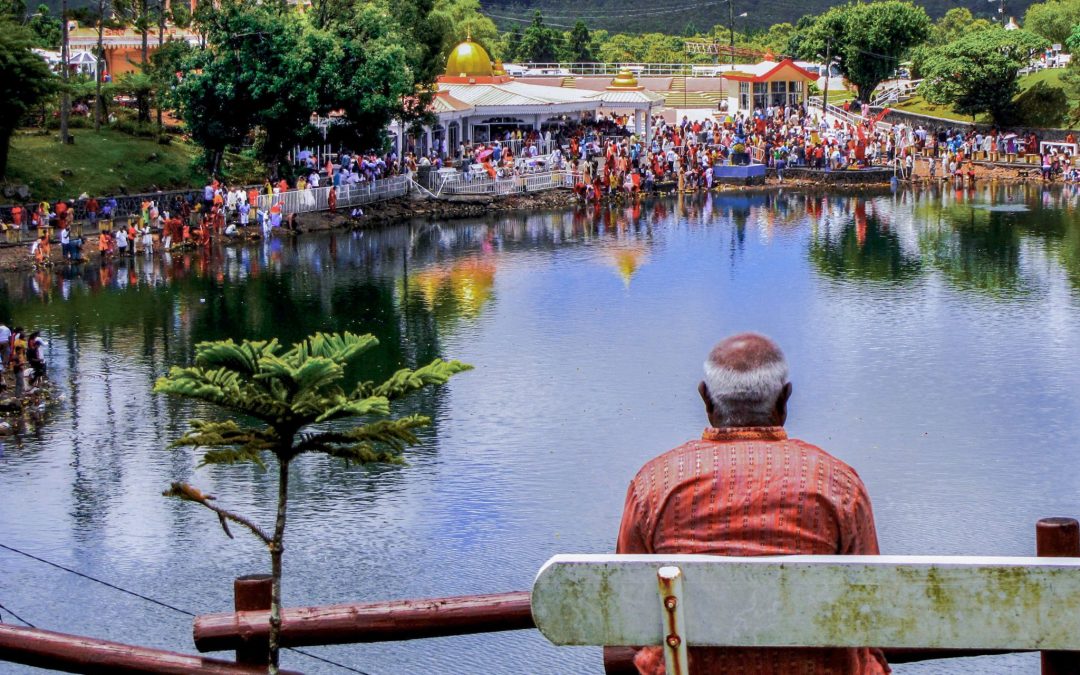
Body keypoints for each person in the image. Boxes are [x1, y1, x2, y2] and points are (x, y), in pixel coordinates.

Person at [616, 333, 887, 675]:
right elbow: (871, 607)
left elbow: (629, 611)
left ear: (706, 399)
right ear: (784, 400)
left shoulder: (654, 486)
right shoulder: (838, 485)